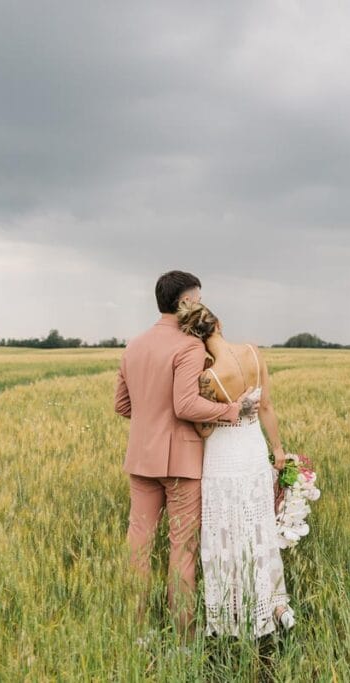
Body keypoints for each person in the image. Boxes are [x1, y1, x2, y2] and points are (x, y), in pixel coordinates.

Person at [113, 271, 260, 646]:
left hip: (141, 460)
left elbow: (122, 405)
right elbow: (186, 405)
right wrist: (233, 410)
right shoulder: (189, 348)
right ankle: (184, 638)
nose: (200, 304)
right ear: (183, 303)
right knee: (182, 550)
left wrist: (151, 418)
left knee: (139, 547)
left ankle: (138, 632)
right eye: (196, 299)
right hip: (180, 462)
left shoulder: (134, 346)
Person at [176, 301, 296, 637]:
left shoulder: (208, 378)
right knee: (259, 528)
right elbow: (267, 406)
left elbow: (204, 430)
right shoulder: (254, 353)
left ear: (195, 340)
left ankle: (233, 615)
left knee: (226, 534)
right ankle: (274, 604)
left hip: (223, 458)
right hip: (254, 450)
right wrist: (278, 449)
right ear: (219, 323)